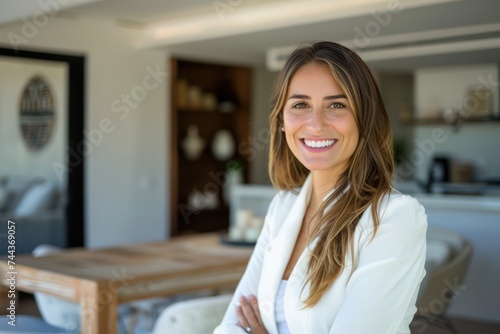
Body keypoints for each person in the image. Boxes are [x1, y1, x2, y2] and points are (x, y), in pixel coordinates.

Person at [214, 41, 427, 334]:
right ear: (282, 122)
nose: (315, 124)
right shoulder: (284, 206)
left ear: (365, 119)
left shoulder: (393, 217)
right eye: (300, 105)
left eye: (336, 105)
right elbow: (231, 324)